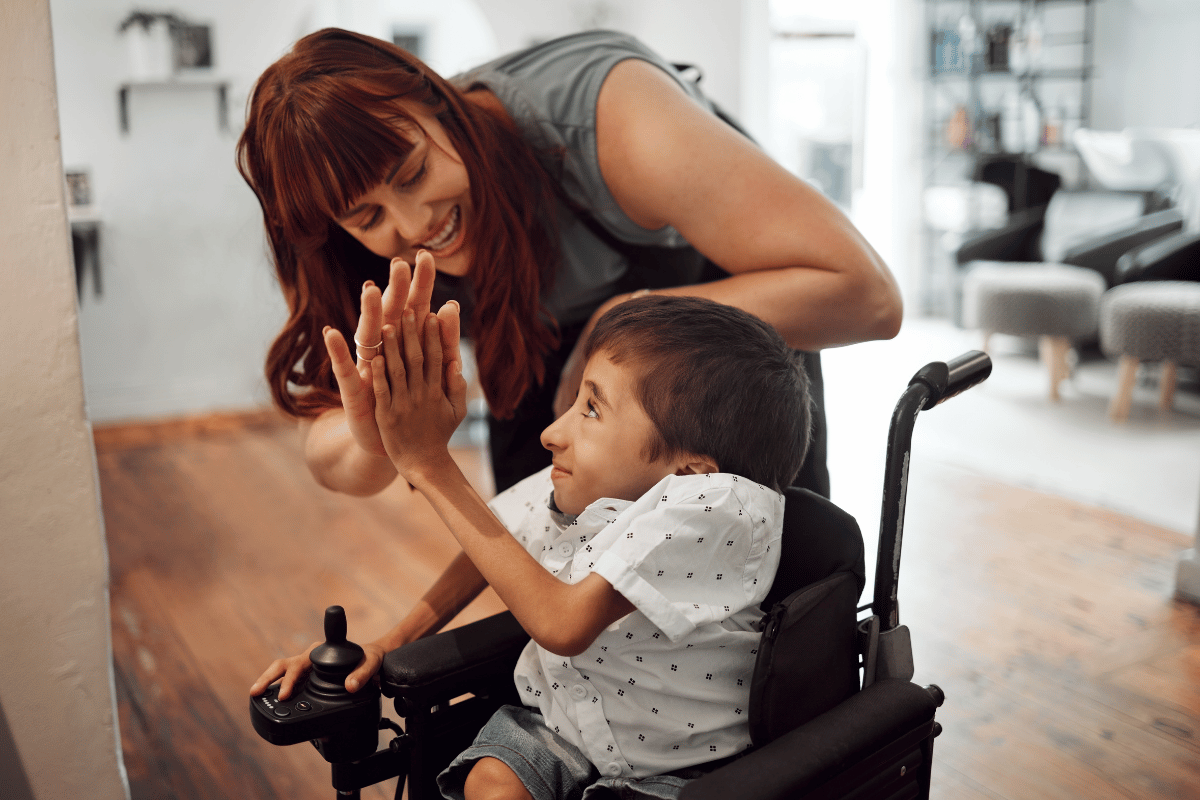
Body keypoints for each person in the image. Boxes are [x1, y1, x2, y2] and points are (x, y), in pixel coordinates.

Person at [235, 27, 902, 501]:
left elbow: (868, 296)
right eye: (367, 218)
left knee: (768, 584)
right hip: (539, 342)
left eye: (414, 173)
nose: (413, 228)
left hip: (720, 321)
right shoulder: (351, 249)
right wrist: (377, 434)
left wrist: (625, 322)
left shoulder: (613, 118)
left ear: (441, 101)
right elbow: (329, 455)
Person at [271, 291, 809, 800]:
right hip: (562, 723)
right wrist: (389, 643)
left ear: (689, 472)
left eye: (591, 410)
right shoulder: (593, 485)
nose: (552, 433)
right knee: (490, 784)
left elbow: (562, 625)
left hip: (682, 765)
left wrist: (430, 465)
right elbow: (490, 538)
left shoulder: (721, 506)